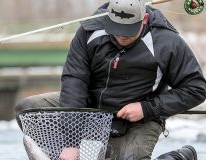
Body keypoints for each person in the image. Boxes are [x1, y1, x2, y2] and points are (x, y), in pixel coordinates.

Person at [15, 0, 206, 159]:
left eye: (128, 29)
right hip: (89, 109)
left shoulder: (168, 42)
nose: (121, 35)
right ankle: (63, 156)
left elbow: (196, 88)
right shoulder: (89, 32)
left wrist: (146, 108)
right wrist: (70, 142)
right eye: (116, 28)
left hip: (139, 119)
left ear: (144, 19)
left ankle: (180, 157)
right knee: (28, 109)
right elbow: (75, 81)